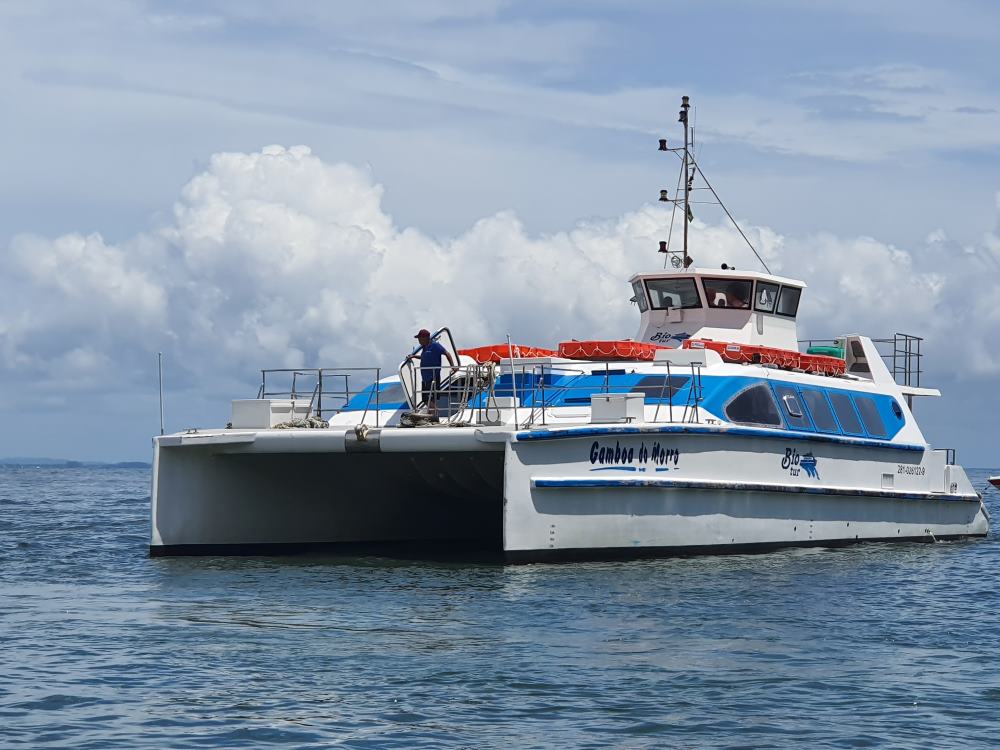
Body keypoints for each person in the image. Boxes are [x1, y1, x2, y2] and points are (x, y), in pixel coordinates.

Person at [405, 329, 457, 414]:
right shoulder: (424, 347)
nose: (419, 341)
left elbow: (447, 354)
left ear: (425, 338)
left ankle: (435, 415)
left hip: (433, 377)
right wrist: (414, 356)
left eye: (420, 339)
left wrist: (453, 366)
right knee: (426, 399)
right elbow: (425, 357)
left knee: (428, 399)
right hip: (425, 378)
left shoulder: (435, 346)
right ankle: (432, 416)